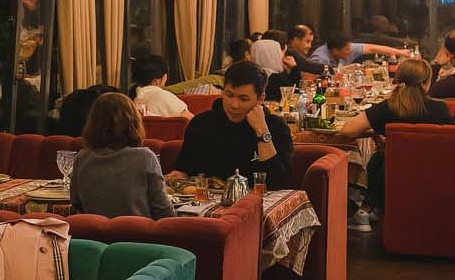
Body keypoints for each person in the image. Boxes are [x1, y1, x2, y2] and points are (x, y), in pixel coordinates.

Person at [172, 59, 294, 187]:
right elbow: (184, 169)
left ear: (260, 99)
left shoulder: (276, 127)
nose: (234, 105)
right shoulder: (201, 124)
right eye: (229, 95)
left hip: (258, 198)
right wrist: (179, 176)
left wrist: (262, 131)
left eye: (243, 99)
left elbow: (278, 183)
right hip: (209, 196)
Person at [70, 92, 176, 219]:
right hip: (136, 231)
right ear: (133, 122)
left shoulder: (82, 158)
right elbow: (164, 213)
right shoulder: (145, 157)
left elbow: (76, 204)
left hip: (94, 231)